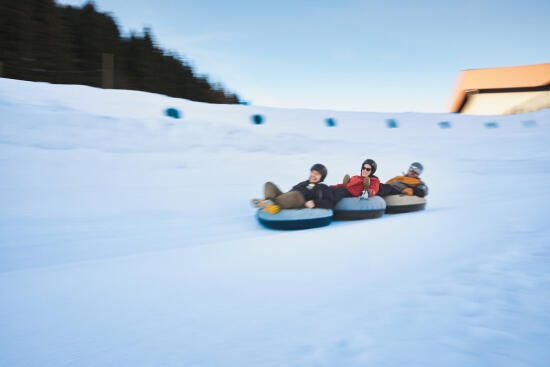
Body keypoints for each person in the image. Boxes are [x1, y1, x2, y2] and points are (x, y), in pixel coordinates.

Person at [253, 163, 335, 213]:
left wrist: (314, 203)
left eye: (317, 174)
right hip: (288, 197)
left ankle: (269, 204)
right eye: (312, 172)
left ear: (322, 177)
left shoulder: (323, 187)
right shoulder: (303, 183)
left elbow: (330, 203)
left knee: (296, 194)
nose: (313, 175)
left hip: (300, 201)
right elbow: (291, 192)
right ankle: (269, 202)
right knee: (269, 184)